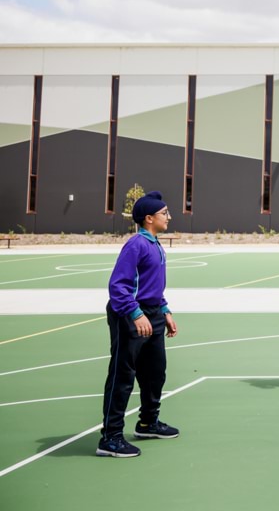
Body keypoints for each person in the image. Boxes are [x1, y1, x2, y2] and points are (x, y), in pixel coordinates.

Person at [96, 191, 180, 457]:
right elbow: (118, 286)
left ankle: (147, 423)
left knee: (156, 372)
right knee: (123, 375)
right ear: (149, 218)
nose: (169, 216)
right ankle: (110, 437)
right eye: (164, 213)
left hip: (153, 313)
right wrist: (135, 313)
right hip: (130, 315)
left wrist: (164, 310)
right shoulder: (136, 244)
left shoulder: (155, 244)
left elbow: (151, 285)